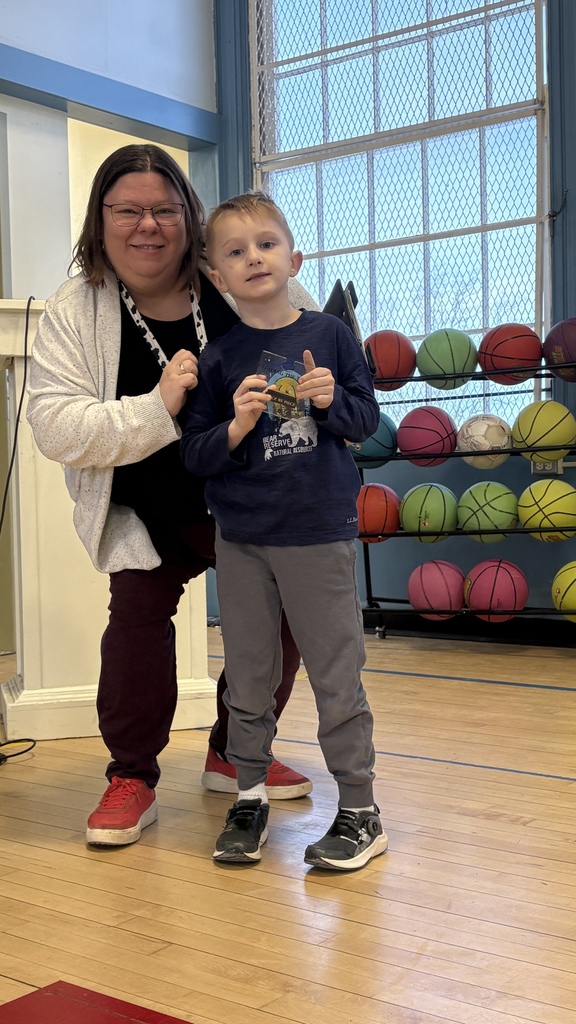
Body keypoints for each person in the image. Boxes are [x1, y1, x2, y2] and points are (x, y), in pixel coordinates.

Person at [26, 145, 316, 848]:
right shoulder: (74, 310)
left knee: (285, 619)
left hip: (244, 503)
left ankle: (232, 751)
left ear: (188, 219)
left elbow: (308, 375)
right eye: (128, 210)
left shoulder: (241, 277)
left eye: (163, 209)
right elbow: (54, 425)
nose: (146, 225)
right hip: (145, 509)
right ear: (102, 221)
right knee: (135, 625)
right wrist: (157, 405)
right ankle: (131, 775)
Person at [181, 192, 389, 871]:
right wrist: (236, 427)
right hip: (241, 539)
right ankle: (248, 796)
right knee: (247, 674)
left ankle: (359, 809)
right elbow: (196, 454)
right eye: (236, 252)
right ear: (217, 277)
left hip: (317, 533)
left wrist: (332, 401)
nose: (254, 258)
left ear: (293, 257)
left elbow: (364, 420)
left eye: (266, 244)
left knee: (335, 672)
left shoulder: (329, 335)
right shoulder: (216, 359)